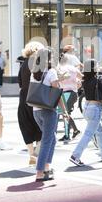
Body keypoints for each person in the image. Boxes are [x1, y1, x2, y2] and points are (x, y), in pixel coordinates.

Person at [69, 59, 102, 166]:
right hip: (95, 109)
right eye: (97, 65)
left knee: (100, 132)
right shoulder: (99, 79)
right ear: (93, 68)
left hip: (87, 107)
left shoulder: (85, 79)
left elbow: (81, 91)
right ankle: (75, 155)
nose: (99, 66)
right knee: (88, 134)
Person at [30, 47, 69, 182]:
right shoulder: (51, 72)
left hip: (36, 110)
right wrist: (64, 111)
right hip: (48, 110)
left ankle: (46, 167)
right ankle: (40, 172)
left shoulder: (34, 72)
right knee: (47, 140)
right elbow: (57, 94)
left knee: (51, 138)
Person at [18, 42, 43, 166]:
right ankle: (36, 155)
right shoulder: (38, 62)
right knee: (39, 127)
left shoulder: (23, 65)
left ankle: (31, 155)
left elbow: (20, 84)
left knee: (26, 126)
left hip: (23, 99)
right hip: (36, 99)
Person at [57, 53, 82, 142]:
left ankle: (70, 133)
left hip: (65, 93)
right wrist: (78, 84)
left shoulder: (59, 68)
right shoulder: (73, 68)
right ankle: (73, 131)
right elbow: (82, 78)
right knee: (67, 113)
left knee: (65, 113)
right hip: (74, 93)